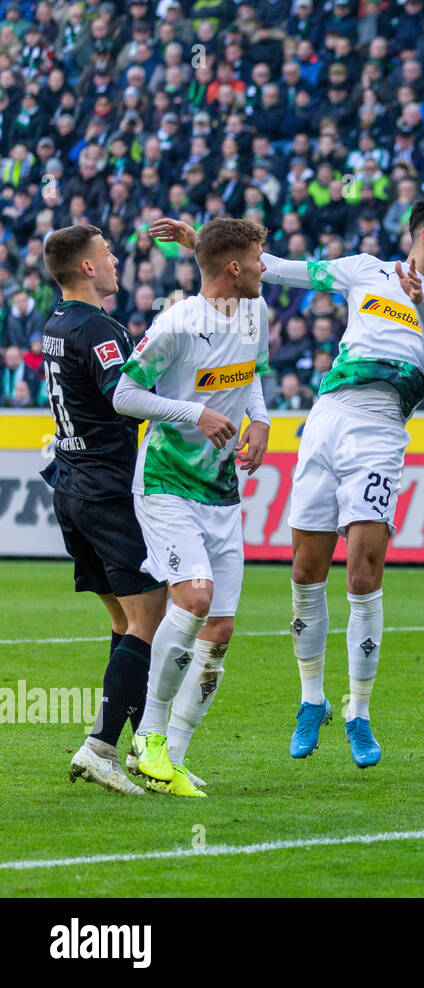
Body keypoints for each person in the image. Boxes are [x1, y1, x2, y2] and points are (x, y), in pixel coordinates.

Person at [150, 196, 424, 770]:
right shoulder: (364, 269)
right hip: (325, 421)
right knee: (305, 571)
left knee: (364, 571)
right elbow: (269, 267)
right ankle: (311, 700)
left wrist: (422, 306)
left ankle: (360, 712)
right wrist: (201, 239)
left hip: (380, 431)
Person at [112, 218, 274, 797]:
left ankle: (171, 758)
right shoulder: (177, 323)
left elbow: (249, 377)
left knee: (221, 627)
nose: (265, 265)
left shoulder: (253, 313)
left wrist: (261, 421)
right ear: (235, 268)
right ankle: (148, 739)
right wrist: (192, 413)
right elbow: (124, 395)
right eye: (258, 258)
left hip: (221, 491)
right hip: (167, 482)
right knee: (195, 597)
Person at [38, 225, 168, 796]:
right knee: (151, 616)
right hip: (108, 490)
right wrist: (187, 410)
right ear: (87, 268)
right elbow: (125, 398)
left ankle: (145, 749)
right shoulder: (99, 329)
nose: (116, 260)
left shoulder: (55, 325)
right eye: (107, 253)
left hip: (70, 484)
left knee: (123, 622)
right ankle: (101, 746)